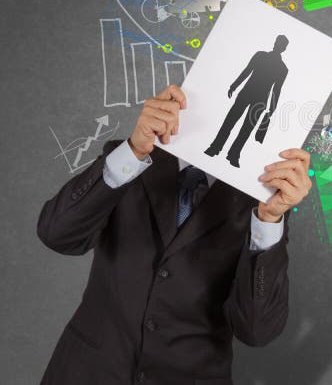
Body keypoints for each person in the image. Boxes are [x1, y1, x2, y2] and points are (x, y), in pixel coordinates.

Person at [37, 84, 312, 385]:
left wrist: (270, 219)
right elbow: (57, 234)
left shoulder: (261, 204)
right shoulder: (132, 158)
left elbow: (257, 331)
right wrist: (132, 151)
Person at [205, 35, 290, 167]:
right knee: (230, 122)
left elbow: (276, 90)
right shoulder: (261, 56)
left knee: (245, 129)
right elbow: (247, 71)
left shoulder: (282, 68)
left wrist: (272, 108)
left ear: (283, 48)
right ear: (276, 43)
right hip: (248, 94)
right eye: (277, 42)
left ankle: (231, 154)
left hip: (259, 100)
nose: (277, 45)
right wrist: (234, 85)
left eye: (280, 44)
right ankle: (216, 148)